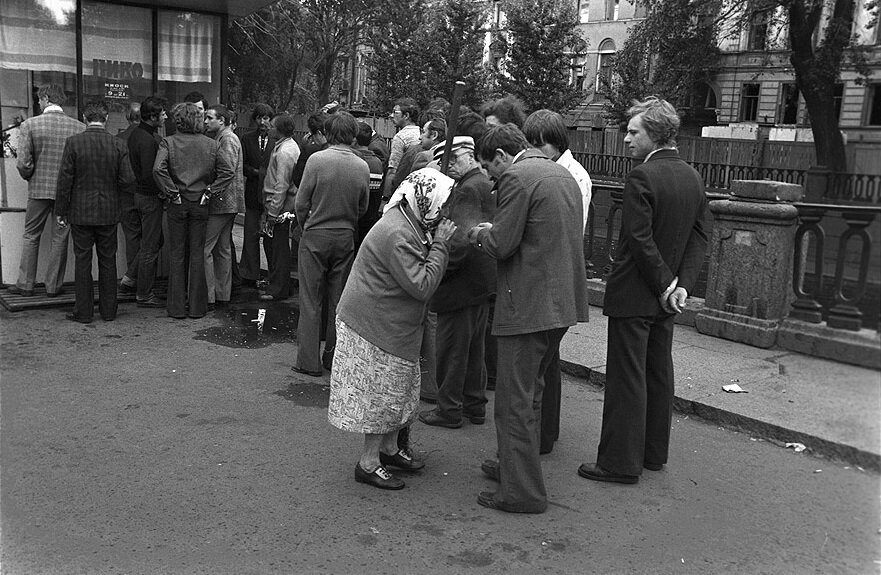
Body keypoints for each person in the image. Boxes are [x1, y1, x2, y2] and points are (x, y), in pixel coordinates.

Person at [578, 97, 708, 485]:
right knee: (657, 372)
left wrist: (665, 282)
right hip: (666, 298)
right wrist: (681, 285)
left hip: (637, 292)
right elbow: (700, 237)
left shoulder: (641, 177)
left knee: (627, 378)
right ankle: (653, 453)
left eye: (634, 132)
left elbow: (638, 238)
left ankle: (619, 462)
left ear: (655, 134)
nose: (626, 139)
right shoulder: (693, 176)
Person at [468, 123, 589, 514]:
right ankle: (513, 467)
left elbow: (503, 244)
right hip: (561, 303)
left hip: (529, 304)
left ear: (502, 156)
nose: (489, 177)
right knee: (531, 392)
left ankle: (521, 492)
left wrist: (479, 233)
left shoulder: (519, 177)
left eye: (489, 168)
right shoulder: (562, 172)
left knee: (513, 400)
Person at [328, 168, 457, 490]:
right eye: (441, 204)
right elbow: (422, 285)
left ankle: (389, 448)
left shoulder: (409, 221)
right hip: (372, 325)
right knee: (379, 396)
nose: (444, 212)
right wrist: (441, 245)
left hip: (389, 324)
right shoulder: (397, 233)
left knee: (397, 392)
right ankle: (368, 463)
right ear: (424, 200)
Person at [522, 108, 594, 455]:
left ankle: (542, 433)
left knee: (544, 362)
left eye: (539, 146)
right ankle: (544, 431)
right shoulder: (560, 170)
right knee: (546, 361)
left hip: (555, 274)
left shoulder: (569, 176)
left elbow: (566, 232)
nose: (535, 153)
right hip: (556, 273)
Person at [418, 137, 496, 429]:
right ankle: (474, 404)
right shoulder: (484, 183)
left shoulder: (466, 189)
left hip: (460, 283)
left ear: (468, 156)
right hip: (480, 280)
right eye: (444, 161)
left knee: (452, 350)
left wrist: (439, 270)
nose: (447, 166)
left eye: (453, 160)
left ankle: (449, 408)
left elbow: (459, 241)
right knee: (475, 350)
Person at [293, 112, 369, 376]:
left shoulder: (317, 160)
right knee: (338, 301)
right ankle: (334, 357)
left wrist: (307, 226)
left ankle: (308, 360)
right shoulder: (361, 166)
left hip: (316, 234)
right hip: (345, 235)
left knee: (310, 299)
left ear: (328, 132)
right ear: (353, 134)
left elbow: (301, 203)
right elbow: (363, 206)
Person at [54, 99, 135, 323]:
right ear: (106, 118)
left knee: (83, 261)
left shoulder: (73, 143)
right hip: (109, 211)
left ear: (84, 118)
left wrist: (61, 211)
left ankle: (84, 312)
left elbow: (64, 181)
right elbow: (128, 180)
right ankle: (109, 311)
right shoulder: (118, 144)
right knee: (108, 261)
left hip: (80, 212)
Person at [152, 102, 234, 319]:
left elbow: (157, 169)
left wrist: (172, 192)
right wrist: (210, 191)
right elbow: (227, 172)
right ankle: (198, 307)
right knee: (197, 253)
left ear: (178, 120)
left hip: (177, 202)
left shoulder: (167, 142)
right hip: (200, 202)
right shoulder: (211, 144)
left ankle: (176, 307)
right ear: (198, 120)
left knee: (177, 254)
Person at [9, 84, 85, 298]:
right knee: (60, 237)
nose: (38, 102)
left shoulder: (30, 125)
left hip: (38, 190)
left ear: (45, 98)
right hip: (67, 193)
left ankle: (25, 284)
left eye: (39, 99)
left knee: (31, 235)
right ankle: (53, 286)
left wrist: (31, 176)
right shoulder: (78, 127)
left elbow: (23, 163)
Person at [204, 104, 245, 308]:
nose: (205, 121)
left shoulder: (226, 139)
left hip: (222, 202)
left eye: (210, 118)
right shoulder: (227, 137)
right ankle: (222, 294)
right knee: (223, 248)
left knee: (206, 249)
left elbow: (226, 171)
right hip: (229, 202)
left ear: (222, 120)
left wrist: (210, 190)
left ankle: (209, 295)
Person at [128, 96, 167, 308]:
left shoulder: (137, 134)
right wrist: (163, 192)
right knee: (151, 246)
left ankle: (130, 277)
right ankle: (144, 293)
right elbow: (150, 173)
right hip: (150, 197)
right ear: (153, 116)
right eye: (162, 114)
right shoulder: (149, 139)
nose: (166, 116)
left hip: (139, 195)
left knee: (153, 242)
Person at [259, 113, 300, 302]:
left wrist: (273, 212)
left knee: (278, 248)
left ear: (280, 129)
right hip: (278, 203)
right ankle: (279, 285)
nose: (269, 127)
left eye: (273, 125)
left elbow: (282, 184)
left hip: (281, 205)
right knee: (274, 246)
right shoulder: (284, 146)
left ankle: (278, 288)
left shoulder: (285, 151)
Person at [239, 103, 276, 288]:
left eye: (266, 118)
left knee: (271, 237)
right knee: (251, 235)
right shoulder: (246, 138)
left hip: (271, 196)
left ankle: (272, 274)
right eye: (260, 118)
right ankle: (249, 274)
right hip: (253, 193)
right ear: (255, 120)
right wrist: (255, 172)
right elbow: (242, 164)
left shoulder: (277, 140)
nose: (263, 122)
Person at [117, 102, 142, 295]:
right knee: (151, 239)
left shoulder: (118, 139)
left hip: (125, 194)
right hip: (148, 194)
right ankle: (141, 277)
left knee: (132, 237)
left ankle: (133, 277)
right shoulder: (154, 138)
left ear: (127, 116)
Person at [382, 97, 420, 202]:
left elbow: (392, 170)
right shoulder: (422, 133)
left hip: (401, 191)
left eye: (395, 112)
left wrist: (385, 199)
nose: (391, 116)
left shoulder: (401, 137)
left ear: (406, 115)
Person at [353, 121, 385, 247]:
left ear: (354, 140)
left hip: (357, 221)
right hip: (371, 216)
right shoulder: (377, 162)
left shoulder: (358, 162)